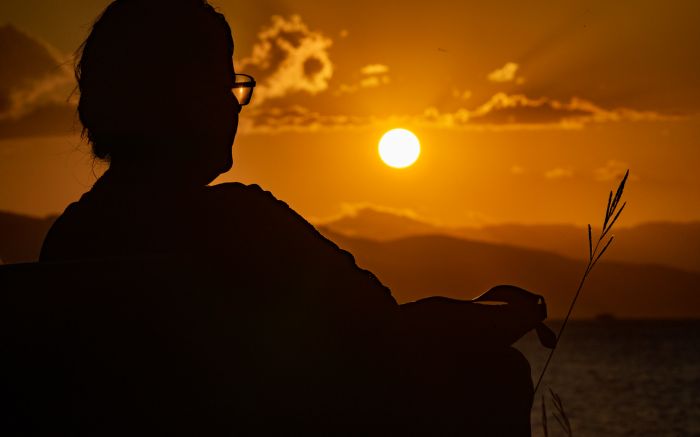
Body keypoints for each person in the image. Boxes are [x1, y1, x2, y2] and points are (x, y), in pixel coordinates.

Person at [39, 0, 545, 434]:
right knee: (494, 372)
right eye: (223, 85)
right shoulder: (242, 224)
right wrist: (504, 313)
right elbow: (387, 333)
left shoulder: (70, 241)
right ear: (182, 99)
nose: (235, 106)